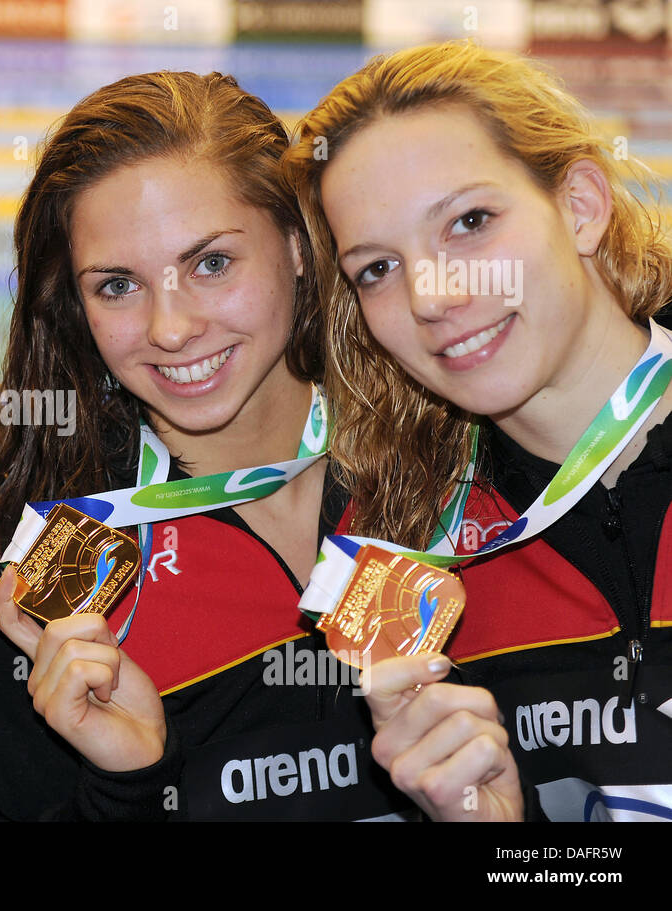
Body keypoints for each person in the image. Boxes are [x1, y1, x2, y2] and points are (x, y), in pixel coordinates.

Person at [0, 71, 413, 819]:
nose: (169, 328)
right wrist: (129, 782)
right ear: (73, 302)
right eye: (116, 285)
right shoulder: (63, 553)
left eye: (211, 263)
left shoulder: (437, 467)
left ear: (300, 246)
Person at [284, 40, 672, 821]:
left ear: (581, 206)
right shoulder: (400, 559)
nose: (433, 296)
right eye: (377, 268)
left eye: (470, 221)